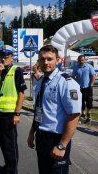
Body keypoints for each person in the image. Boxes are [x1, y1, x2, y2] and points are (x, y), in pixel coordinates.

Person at [27, 45, 82, 174]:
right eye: (42, 59)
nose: (45, 62)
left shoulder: (66, 82)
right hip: (42, 138)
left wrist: (62, 145)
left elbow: (74, 115)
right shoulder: (41, 82)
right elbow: (39, 110)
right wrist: (32, 132)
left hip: (56, 139)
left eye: (49, 59)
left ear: (57, 60)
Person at [0, 45, 26, 174]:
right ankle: (8, 166)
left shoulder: (17, 70)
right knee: (3, 142)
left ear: (12, 57)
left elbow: (22, 93)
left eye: (6, 57)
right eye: (1, 57)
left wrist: (17, 113)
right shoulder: (0, 70)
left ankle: (12, 171)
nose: (3, 59)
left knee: (10, 144)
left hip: (10, 113)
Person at [72, 55, 96, 122]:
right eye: (79, 60)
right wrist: (75, 84)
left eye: (82, 60)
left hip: (88, 87)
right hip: (79, 87)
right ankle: (83, 113)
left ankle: (88, 112)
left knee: (89, 101)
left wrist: (91, 85)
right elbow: (73, 76)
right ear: (78, 60)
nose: (81, 61)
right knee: (81, 101)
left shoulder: (89, 67)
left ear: (85, 60)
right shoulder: (76, 67)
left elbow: (93, 76)